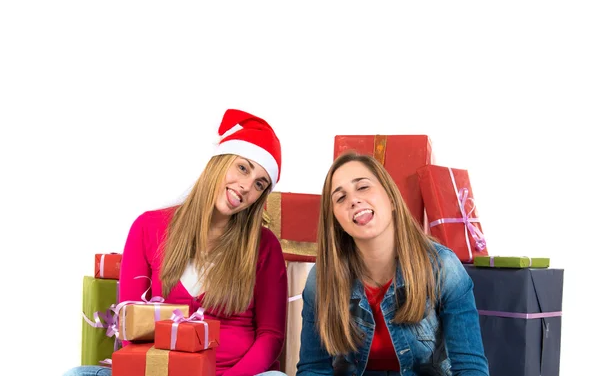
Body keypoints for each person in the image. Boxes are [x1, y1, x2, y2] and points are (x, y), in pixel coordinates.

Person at [64, 109, 288, 376]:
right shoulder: (148, 228)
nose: (245, 186)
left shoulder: (264, 246)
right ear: (219, 162)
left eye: (259, 184)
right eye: (242, 168)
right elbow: (131, 325)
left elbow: (270, 336)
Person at [296, 152, 489, 376]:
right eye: (340, 198)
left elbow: (470, 368)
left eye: (363, 187)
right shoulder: (322, 278)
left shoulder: (443, 267)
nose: (354, 200)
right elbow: (313, 369)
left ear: (391, 198)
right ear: (336, 222)